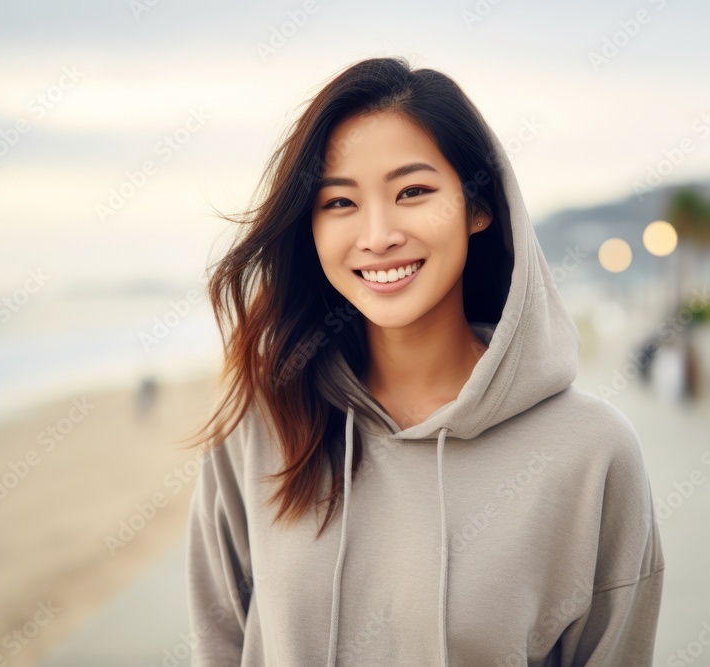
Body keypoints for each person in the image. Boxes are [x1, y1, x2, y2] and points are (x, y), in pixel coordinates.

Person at [183, 56, 664, 666]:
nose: (378, 234)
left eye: (413, 192)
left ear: (479, 207)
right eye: (339, 203)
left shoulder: (592, 452)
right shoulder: (261, 423)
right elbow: (219, 641)